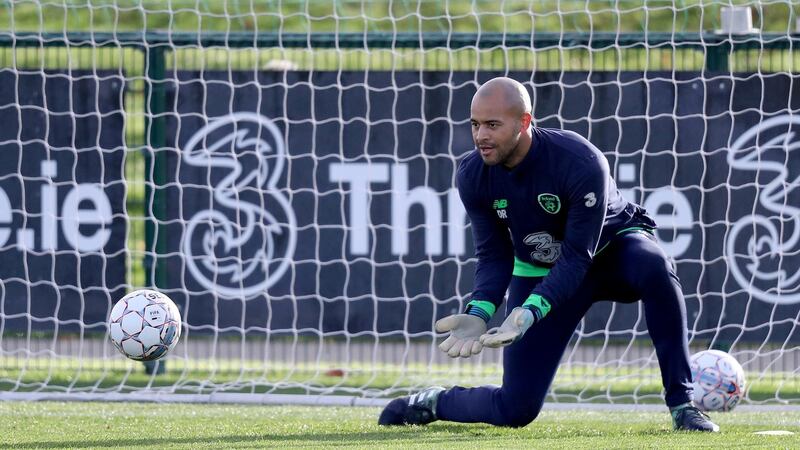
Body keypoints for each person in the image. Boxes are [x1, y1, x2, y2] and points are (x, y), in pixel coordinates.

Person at [378, 77, 718, 432]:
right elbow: (495, 256)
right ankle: (434, 402)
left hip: (611, 253)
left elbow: (576, 256)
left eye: (493, 125)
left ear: (524, 122)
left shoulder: (580, 160)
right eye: (475, 124)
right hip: (542, 270)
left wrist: (530, 310)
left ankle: (683, 405)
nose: (480, 136)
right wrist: (479, 311)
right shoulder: (473, 175)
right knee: (516, 409)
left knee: (655, 266)